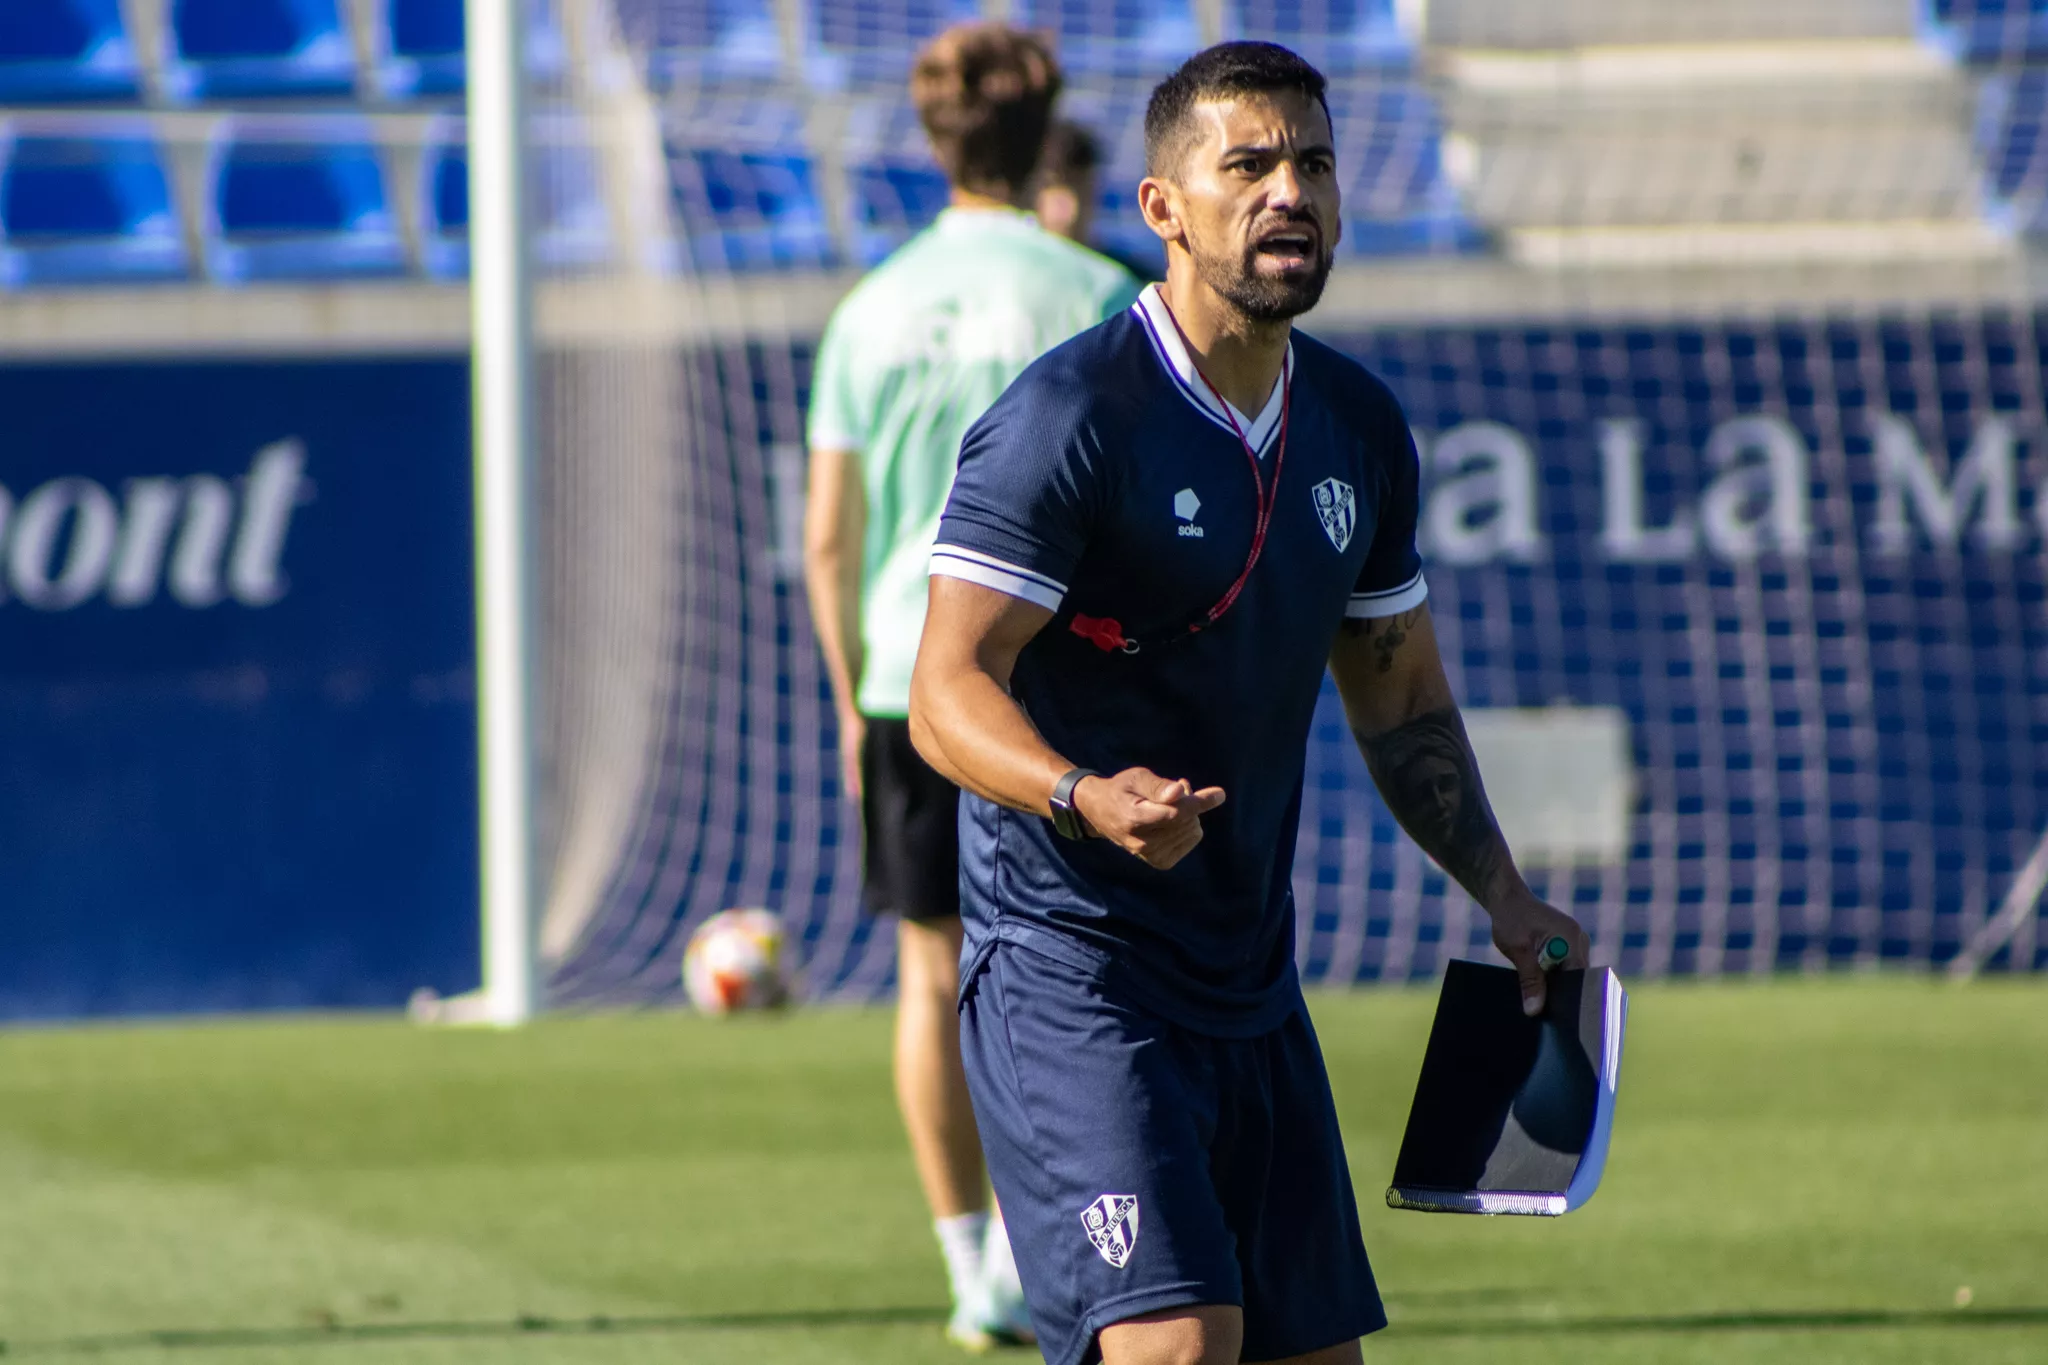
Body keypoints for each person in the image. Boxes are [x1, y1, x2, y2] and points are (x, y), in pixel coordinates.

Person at [908, 41, 1591, 1365]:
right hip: (1073, 970)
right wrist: (1079, 792)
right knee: (1174, 1344)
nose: (1292, 193)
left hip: (1250, 984)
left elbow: (1400, 700)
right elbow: (945, 692)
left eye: (1314, 163)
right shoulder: (1068, 421)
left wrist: (1503, 894)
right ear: (1164, 208)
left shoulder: (1358, 427)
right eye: (1251, 165)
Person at [801, 20, 1143, 1354]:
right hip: (1057, 689)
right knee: (1087, 970)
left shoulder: (867, 307)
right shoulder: (1100, 293)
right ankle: (1061, 1240)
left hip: (907, 686)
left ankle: (967, 1265)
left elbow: (828, 537)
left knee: (929, 971)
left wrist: (849, 698)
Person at [1033, 119, 1159, 280]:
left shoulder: (1124, 279)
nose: (1071, 207)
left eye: (1079, 187)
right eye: (1055, 186)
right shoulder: (1010, 267)